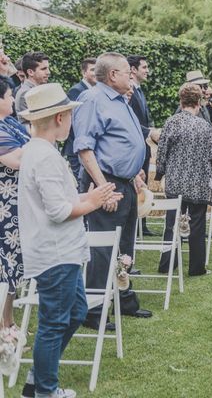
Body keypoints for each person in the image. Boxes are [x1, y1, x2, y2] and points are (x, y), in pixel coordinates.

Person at [17, 83, 121, 398]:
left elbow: (59, 200)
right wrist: (92, 200)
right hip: (55, 253)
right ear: (61, 118)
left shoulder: (41, 151)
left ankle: (38, 378)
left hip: (63, 252)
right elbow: (59, 211)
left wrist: (90, 197)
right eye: (71, 115)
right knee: (54, 323)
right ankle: (45, 391)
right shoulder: (44, 156)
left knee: (75, 311)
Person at [73, 52, 153, 329]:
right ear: (112, 76)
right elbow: (85, 147)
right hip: (107, 182)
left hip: (126, 181)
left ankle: (123, 297)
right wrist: (103, 187)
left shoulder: (120, 100)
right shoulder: (93, 100)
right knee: (103, 248)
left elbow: (124, 140)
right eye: (125, 71)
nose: (130, 74)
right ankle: (93, 312)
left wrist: (135, 175)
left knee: (125, 246)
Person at [155, 83, 212, 276]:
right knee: (197, 224)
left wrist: (159, 174)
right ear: (199, 103)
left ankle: (166, 264)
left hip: (175, 181)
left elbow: (162, 152)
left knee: (172, 224)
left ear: (181, 101)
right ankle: (196, 268)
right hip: (199, 183)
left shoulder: (171, 122)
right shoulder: (205, 126)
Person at [0, 80, 30, 330]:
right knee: (5, 265)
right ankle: (5, 325)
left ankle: (8, 322)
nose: (13, 100)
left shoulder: (8, 124)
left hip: (14, 206)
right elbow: (14, 160)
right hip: (4, 207)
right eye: (9, 96)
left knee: (11, 265)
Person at [127, 55, 160, 236]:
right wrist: (149, 132)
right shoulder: (129, 91)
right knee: (137, 186)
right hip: (134, 148)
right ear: (133, 70)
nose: (147, 70)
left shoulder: (139, 90)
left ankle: (143, 223)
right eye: (144, 67)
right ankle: (136, 225)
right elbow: (129, 121)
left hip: (143, 147)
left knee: (144, 184)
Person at [61, 58, 97, 183]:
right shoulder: (76, 90)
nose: (96, 72)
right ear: (84, 73)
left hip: (88, 146)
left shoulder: (96, 91)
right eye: (92, 69)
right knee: (80, 184)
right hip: (76, 148)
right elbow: (74, 122)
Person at [15, 52, 50, 124]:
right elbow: (30, 125)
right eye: (43, 69)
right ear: (30, 72)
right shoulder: (25, 93)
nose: (48, 72)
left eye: (48, 68)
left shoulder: (40, 89)